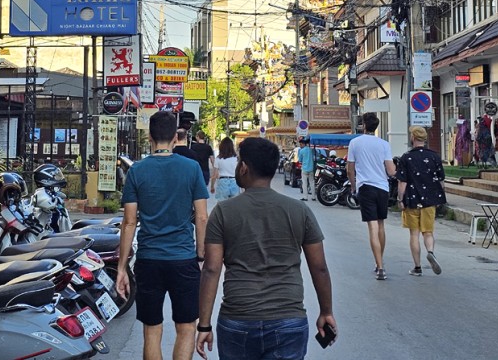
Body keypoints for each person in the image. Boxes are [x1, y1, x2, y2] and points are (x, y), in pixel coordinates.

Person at [196, 137, 337, 360]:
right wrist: (326, 311)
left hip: (237, 320)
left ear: (243, 168)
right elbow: (319, 268)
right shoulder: (299, 210)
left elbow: (211, 270)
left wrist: (204, 325)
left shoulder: (223, 212)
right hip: (289, 320)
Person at [117, 111, 209, 360]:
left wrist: (122, 267)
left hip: (149, 260)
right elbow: (201, 217)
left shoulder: (137, 171)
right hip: (183, 259)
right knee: (187, 327)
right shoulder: (191, 168)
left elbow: (129, 222)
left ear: (149, 136)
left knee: (152, 330)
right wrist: (200, 255)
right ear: (175, 137)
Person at [346, 112, 395, 280]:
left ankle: (380, 266)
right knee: (381, 225)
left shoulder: (355, 143)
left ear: (364, 125)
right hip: (382, 188)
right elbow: (390, 170)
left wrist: (353, 186)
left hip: (365, 187)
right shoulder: (384, 144)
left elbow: (350, 169)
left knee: (372, 227)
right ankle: (379, 263)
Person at [395, 126, 447, 277]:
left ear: (413, 138)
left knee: (414, 234)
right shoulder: (435, 157)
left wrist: (400, 199)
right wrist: (441, 196)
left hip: (412, 200)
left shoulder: (406, 157)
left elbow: (402, 182)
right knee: (428, 232)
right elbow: (441, 181)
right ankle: (430, 252)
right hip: (430, 200)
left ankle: (417, 268)